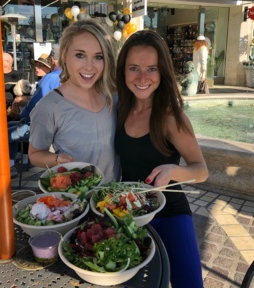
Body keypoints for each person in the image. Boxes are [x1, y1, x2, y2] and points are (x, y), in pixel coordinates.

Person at [115, 30, 209, 288]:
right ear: (123, 71)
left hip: (170, 214)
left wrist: (172, 170)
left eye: (152, 69)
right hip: (129, 214)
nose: (142, 77)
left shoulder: (170, 115)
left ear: (162, 72)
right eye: (134, 68)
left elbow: (201, 171)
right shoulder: (120, 108)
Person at [28, 19, 120, 183]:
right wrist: (57, 159)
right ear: (64, 55)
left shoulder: (113, 96)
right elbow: (34, 155)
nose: (89, 66)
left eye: (98, 57)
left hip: (114, 200)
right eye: (80, 55)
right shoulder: (49, 106)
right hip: (76, 202)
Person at [0, 49, 61, 178]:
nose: (37, 68)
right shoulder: (63, 76)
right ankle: (10, 165)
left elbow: (37, 104)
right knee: (8, 127)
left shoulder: (51, 77)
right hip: (52, 123)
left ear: (52, 61)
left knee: (1, 134)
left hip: (42, 126)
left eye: (41, 65)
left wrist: (22, 113)